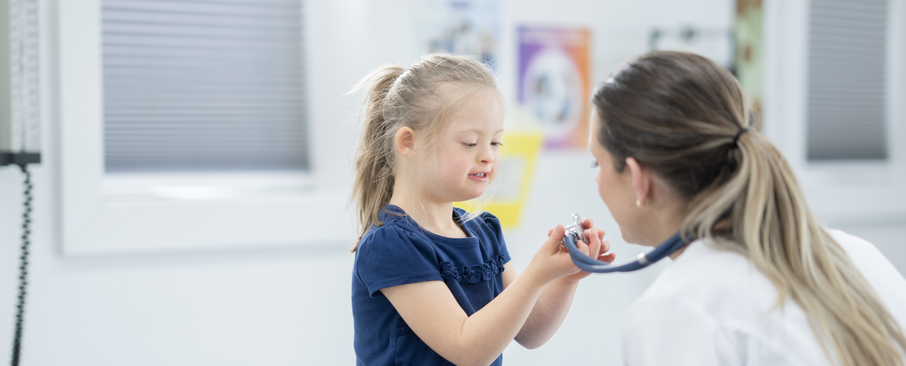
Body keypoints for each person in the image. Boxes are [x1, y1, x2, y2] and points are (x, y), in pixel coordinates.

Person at [588, 51, 906, 366]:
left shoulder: (679, 307)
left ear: (637, 178)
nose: (597, 179)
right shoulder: (856, 254)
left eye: (596, 162)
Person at [349, 53, 614, 366]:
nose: (488, 156)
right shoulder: (391, 246)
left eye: (495, 143)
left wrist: (562, 278)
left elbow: (530, 332)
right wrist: (534, 275)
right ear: (408, 143)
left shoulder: (483, 232)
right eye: (470, 143)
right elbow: (467, 350)